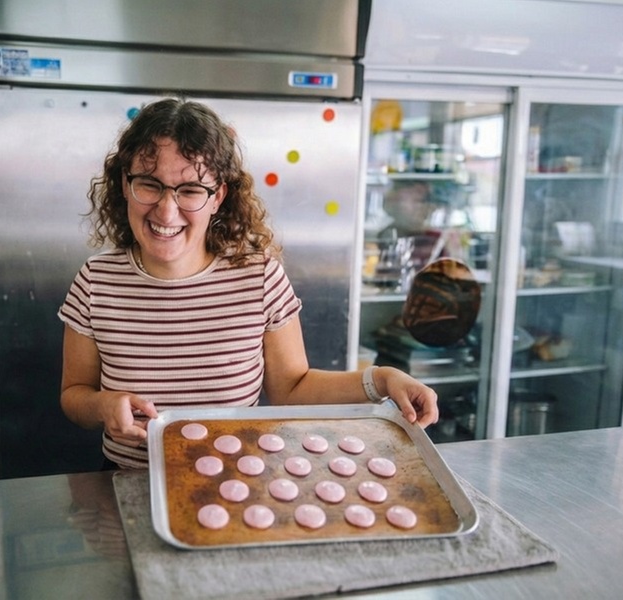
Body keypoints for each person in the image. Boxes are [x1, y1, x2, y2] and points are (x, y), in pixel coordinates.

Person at [58, 97, 438, 469]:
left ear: (217, 197)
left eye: (190, 190)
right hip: (128, 483)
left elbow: (293, 387)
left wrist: (385, 380)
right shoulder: (95, 282)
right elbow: (74, 396)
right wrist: (101, 406)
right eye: (149, 184)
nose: (166, 210)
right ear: (125, 184)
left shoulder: (260, 278)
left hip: (237, 483)